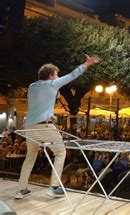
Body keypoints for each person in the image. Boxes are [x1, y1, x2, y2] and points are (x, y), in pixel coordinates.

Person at [15, 55, 100, 199]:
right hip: (44, 126)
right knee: (60, 152)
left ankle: (21, 189)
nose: (58, 77)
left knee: (30, 156)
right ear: (50, 76)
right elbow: (73, 75)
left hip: (29, 127)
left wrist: (54, 96)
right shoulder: (52, 84)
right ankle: (54, 187)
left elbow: (41, 102)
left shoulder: (32, 86)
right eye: (56, 75)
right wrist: (88, 63)